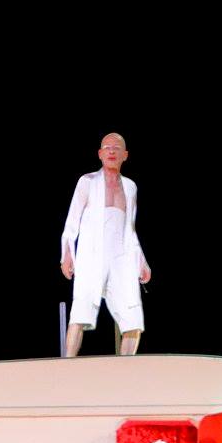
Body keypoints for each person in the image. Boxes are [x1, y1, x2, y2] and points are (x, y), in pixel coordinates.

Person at [59, 133, 151, 357]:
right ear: (100, 154)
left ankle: (126, 367)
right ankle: (67, 365)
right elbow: (72, 221)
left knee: (133, 319)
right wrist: (67, 254)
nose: (111, 151)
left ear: (125, 155)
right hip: (92, 255)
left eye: (116, 148)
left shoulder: (130, 187)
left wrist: (141, 261)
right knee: (80, 313)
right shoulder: (88, 181)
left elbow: (130, 228)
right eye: (107, 147)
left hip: (121, 258)